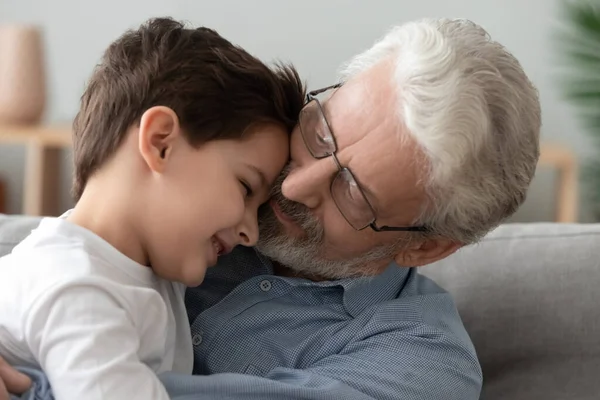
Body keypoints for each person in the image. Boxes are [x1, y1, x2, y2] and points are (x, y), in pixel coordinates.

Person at [1, 17, 541, 400]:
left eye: (352, 192)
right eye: (321, 130)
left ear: (426, 245)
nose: (294, 187)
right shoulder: (191, 194)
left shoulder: (418, 363)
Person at [0, 18, 305, 400]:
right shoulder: (75, 286)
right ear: (161, 143)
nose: (252, 233)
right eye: (245, 187)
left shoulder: (138, 268)